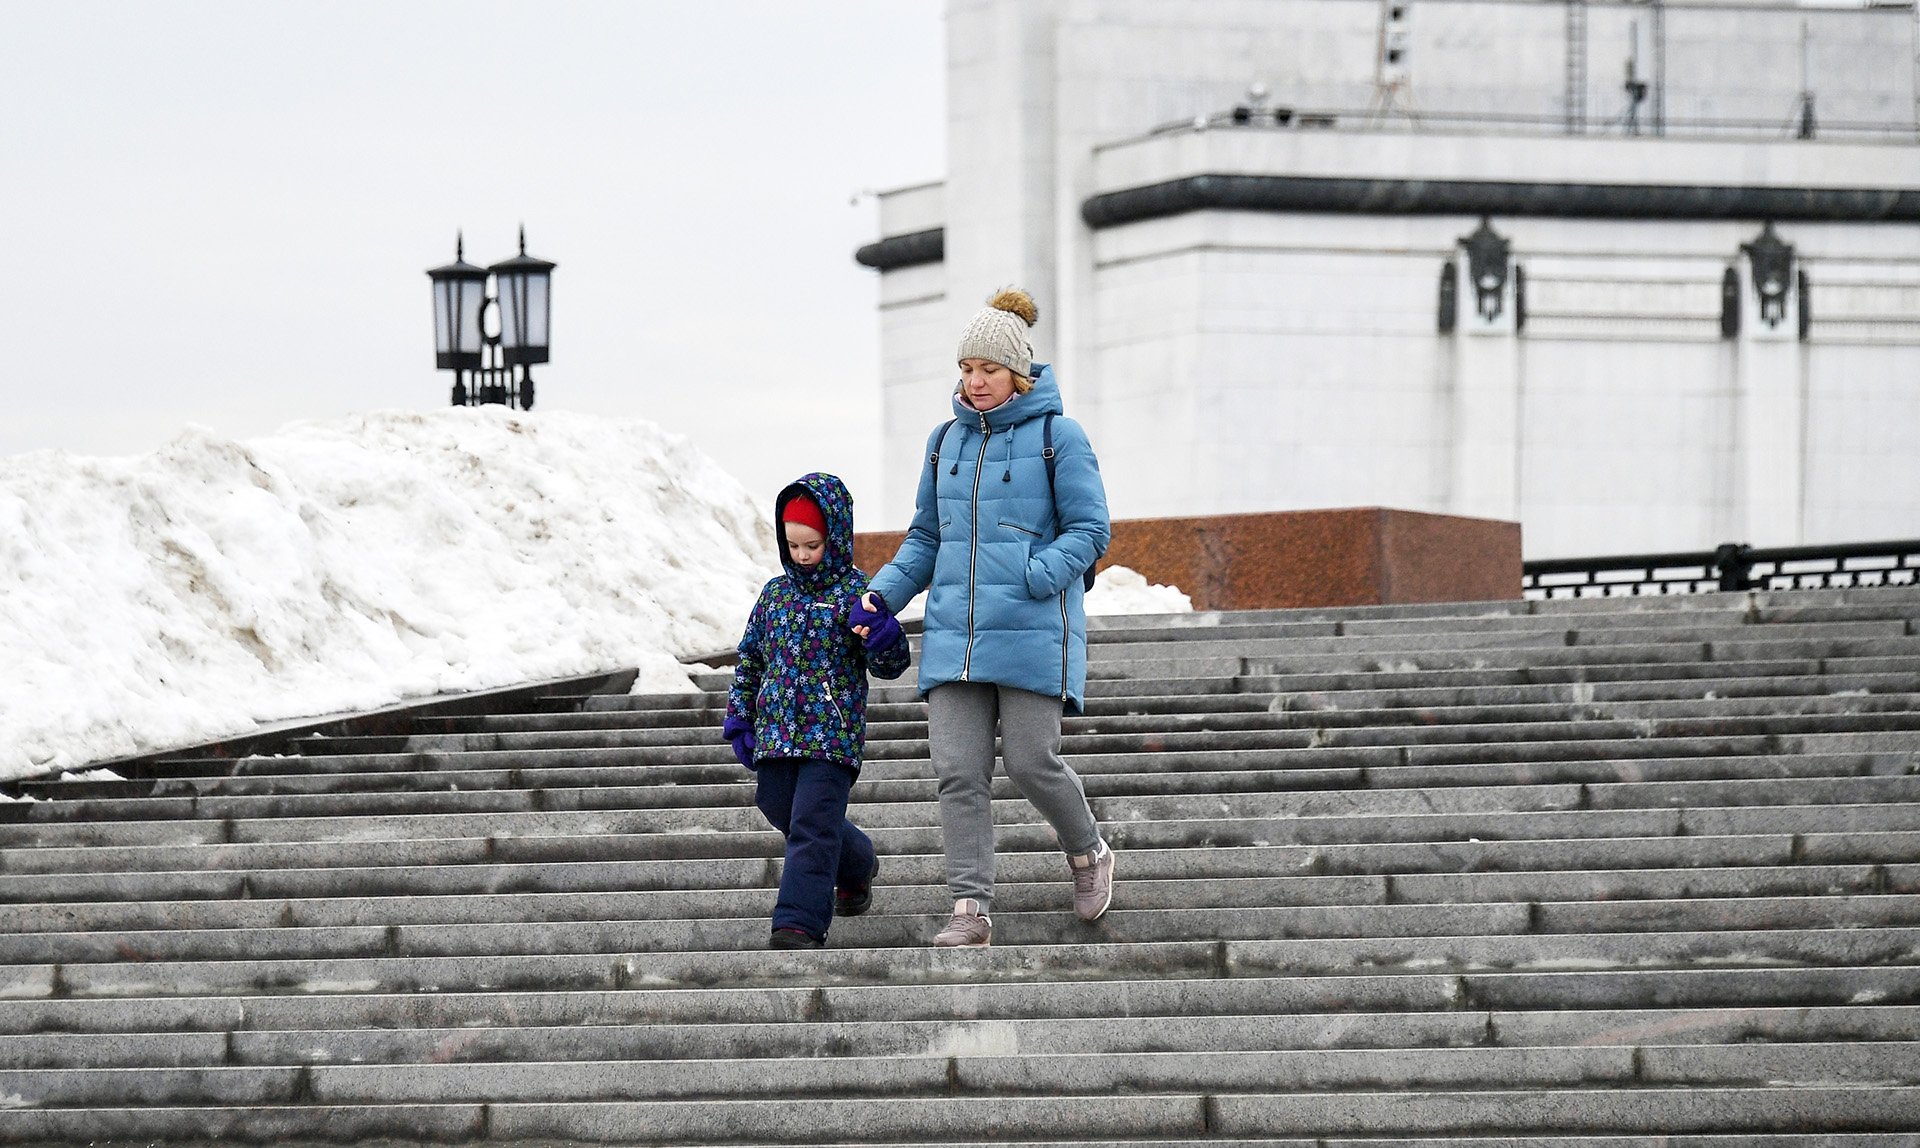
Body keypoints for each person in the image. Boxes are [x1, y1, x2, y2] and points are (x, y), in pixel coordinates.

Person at [857, 289, 1114, 948]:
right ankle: (969, 909)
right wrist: (880, 596)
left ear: (1017, 373)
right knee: (958, 772)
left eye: (988, 369)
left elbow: (1090, 529)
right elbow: (924, 539)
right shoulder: (945, 442)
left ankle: (1088, 852)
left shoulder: (1061, 436)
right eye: (967, 368)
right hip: (953, 635)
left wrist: (1033, 574)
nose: (974, 381)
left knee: (1031, 762)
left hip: (1029, 629)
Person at [723, 473, 910, 950]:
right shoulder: (774, 595)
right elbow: (751, 658)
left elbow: (889, 665)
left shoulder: (858, 592)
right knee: (777, 805)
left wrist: (883, 635)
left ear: (837, 537)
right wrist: (740, 715)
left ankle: (799, 922)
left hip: (832, 736)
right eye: (794, 546)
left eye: (813, 545)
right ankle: (857, 860)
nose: (803, 556)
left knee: (811, 822)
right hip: (777, 734)